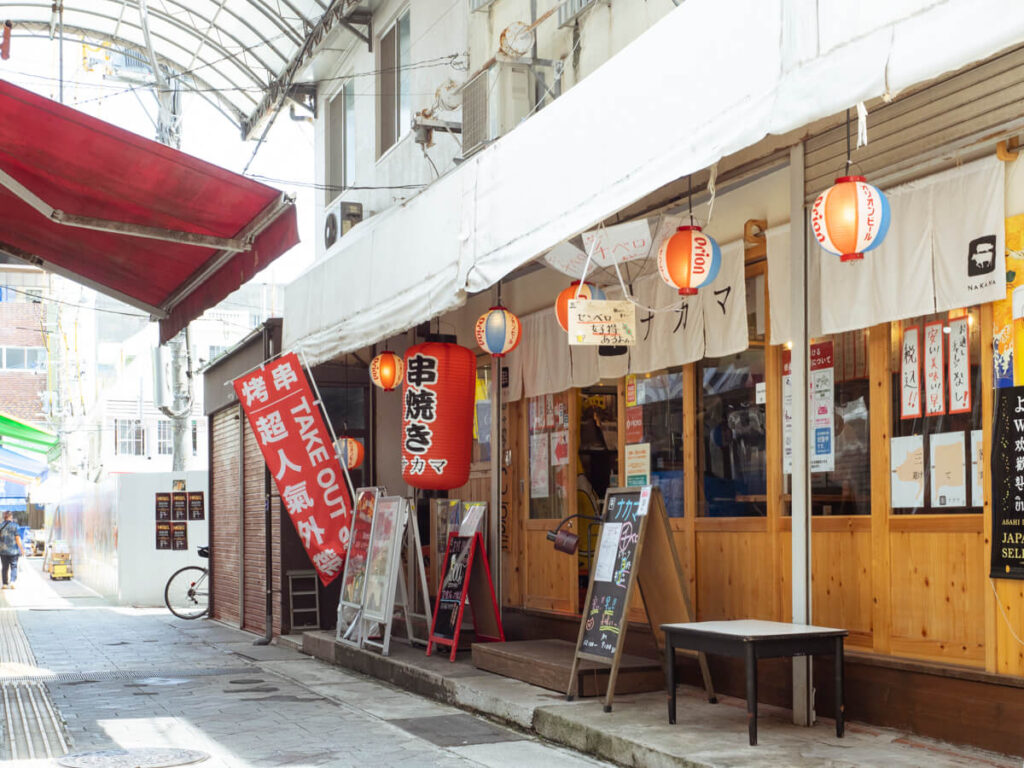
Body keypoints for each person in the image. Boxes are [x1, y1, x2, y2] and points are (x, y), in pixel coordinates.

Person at [0, 511, 25, 589]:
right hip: (13, 551)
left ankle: (4, 583)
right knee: (14, 566)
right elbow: (17, 538)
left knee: (4, 567)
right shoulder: (15, 526)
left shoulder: (0, 526)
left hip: (3, 551)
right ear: (10, 517)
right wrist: (21, 549)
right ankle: (12, 581)